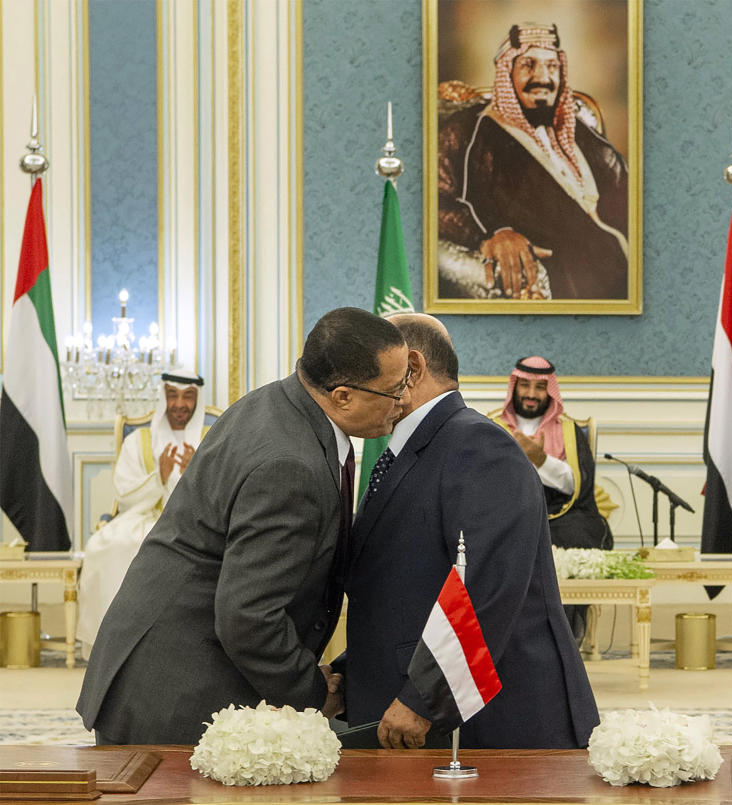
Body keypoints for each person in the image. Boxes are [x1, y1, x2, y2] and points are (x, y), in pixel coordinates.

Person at [76, 307, 410, 745]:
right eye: (395, 388)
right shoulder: (291, 466)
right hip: (176, 688)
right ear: (343, 396)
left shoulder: (278, 400)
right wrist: (311, 691)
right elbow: (248, 616)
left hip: (163, 661)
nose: (403, 400)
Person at [337, 313, 599, 750]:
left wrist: (422, 698)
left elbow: (486, 587)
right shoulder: (418, 449)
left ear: (412, 367)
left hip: (488, 726)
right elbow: (405, 591)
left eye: (369, 369)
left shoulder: (479, 446)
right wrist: (349, 673)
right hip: (424, 713)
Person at [437, 22, 628, 301]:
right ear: (506, 73)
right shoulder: (468, 129)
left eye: (552, 67)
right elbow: (434, 200)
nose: (543, 77)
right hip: (564, 277)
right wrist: (492, 234)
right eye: (528, 65)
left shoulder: (579, 130)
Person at [76, 372, 207, 660]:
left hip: (198, 523)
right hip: (145, 517)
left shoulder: (211, 441)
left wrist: (192, 473)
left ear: (197, 400)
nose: (180, 403)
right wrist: (157, 478)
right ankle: (113, 643)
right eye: (173, 395)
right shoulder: (139, 441)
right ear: (164, 398)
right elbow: (124, 494)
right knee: (109, 546)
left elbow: (222, 492)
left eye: (187, 396)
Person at [489, 356, 612, 642]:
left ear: (550, 392)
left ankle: (564, 640)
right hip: (508, 515)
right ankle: (504, 640)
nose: (531, 394)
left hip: (560, 515)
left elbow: (576, 485)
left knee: (580, 534)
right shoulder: (491, 426)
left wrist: (540, 459)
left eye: (540, 387)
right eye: (525, 385)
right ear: (514, 386)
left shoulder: (568, 430)